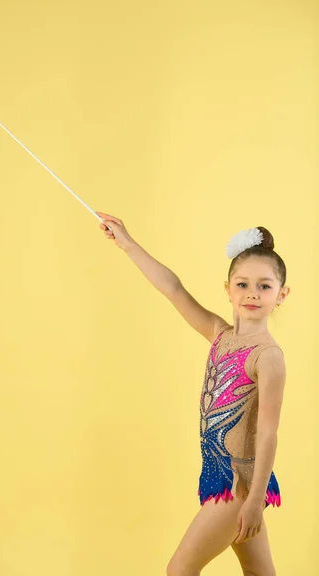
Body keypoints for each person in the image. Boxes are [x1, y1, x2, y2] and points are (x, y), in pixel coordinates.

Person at [96, 212, 290, 576]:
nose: (252, 294)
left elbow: (267, 434)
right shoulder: (220, 334)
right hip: (220, 477)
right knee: (260, 573)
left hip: (240, 486)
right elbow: (173, 289)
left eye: (265, 286)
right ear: (227, 289)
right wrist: (127, 244)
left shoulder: (268, 357)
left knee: (179, 569)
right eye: (243, 284)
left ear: (282, 294)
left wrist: (252, 500)